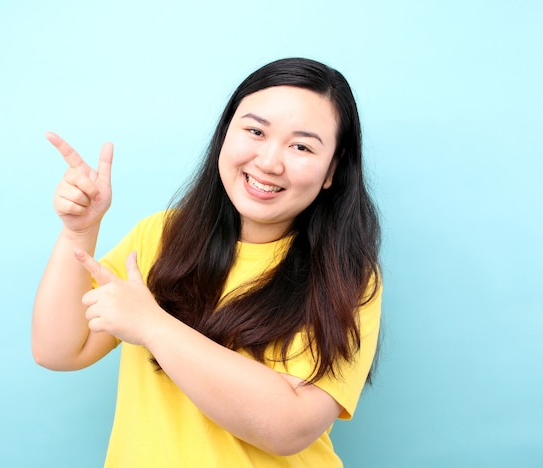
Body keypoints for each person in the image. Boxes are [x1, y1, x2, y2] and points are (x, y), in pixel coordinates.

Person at [32, 57, 382, 467]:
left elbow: (291, 427)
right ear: (225, 134)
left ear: (330, 171)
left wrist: (152, 324)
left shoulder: (347, 277)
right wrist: (78, 232)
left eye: (301, 146)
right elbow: (58, 351)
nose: (269, 162)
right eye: (255, 131)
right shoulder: (161, 237)